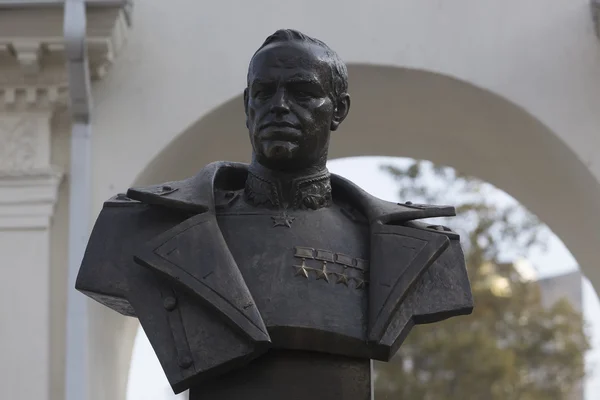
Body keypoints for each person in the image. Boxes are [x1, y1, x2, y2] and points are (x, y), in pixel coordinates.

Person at [76, 29, 472, 399]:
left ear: (339, 110)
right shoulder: (139, 228)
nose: (279, 107)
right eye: (264, 92)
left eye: (302, 93)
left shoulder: (421, 248)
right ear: (247, 106)